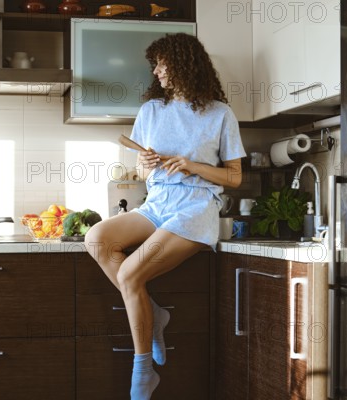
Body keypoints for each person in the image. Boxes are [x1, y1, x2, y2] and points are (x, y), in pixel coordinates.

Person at [84, 32, 246, 400]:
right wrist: (144, 163)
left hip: (196, 207)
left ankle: (143, 370)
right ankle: (152, 314)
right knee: (97, 238)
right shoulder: (150, 112)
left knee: (129, 274)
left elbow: (235, 177)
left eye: (162, 63)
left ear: (184, 63)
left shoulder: (221, 114)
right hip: (156, 203)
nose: (155, 72)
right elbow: (143, 174)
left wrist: (193, 166)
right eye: (153, 64)